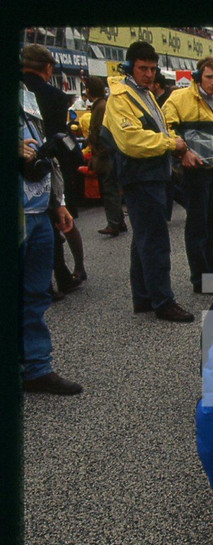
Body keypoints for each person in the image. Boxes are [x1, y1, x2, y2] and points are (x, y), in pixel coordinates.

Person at [103, 40, 194, 322]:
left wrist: (173, 144)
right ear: (129, 67)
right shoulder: (121, 97)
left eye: (153, 69)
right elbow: (130, 140)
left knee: (143, 238)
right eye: (143, 68)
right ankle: (163, 302)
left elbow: (158, 129)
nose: (149, 74)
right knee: (155, 240)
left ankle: (144, 297)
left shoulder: (143, 94)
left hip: (153, 174)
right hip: (140, 176)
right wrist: (170, 144)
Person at [19, 80, 83, 394]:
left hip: (38, 209)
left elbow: (47, 152)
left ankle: (37, 368)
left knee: (35, 296)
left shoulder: (26, 95)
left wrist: (58, 202)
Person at [163, 56, 213, 294]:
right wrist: (182, 152)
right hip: (193, 171)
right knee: (198, 225)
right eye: (209, 77)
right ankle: (202, 280)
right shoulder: (179, 98)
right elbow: (166, 129)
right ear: (197, 77)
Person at [21, 44, 87, 296]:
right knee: (57, 220)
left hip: (24, 172)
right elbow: (61, 137)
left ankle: (45, 283)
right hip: (49, 166)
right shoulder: (56, 96)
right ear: (48, 68)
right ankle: (65, 275)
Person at [85, 75, 127, 236]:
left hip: (105, 155)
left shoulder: (101, 106)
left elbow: (102, 133)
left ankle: (114, 223)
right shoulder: (101, 105)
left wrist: (98, 150)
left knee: (109, 189)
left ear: (89, 90)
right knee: (110, 188)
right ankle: (118, 221)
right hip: (105, 154)